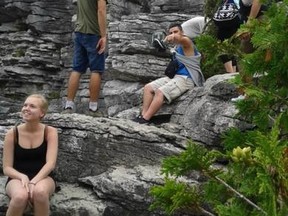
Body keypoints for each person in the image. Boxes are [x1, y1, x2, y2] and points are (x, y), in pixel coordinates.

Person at [134, 23, 205, 124]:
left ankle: (146, 118)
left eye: (176, 32)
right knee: (148, 88)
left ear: (182, 32)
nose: (173, 34)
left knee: (160, 92)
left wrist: (170, 38)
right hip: (176, 77)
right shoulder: (175, 48)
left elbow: (182, 39)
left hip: (187, 79)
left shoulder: (187, 42)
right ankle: (143, 116)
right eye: (171, 32)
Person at [2, 94, 58, 216]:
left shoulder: (50, 132)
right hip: (17, 178)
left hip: (44, 177)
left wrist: (34, 182)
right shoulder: (12, 134)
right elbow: (6, 168)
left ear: (42, 113)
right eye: (25, 105)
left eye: (32, 106)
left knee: (40, 193)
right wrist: (22, 177)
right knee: (20, 197)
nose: (26, 108)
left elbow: (50, 164)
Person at [63, 0, 107, 115]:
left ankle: (68, 106)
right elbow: (101, 11)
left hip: (79, 31)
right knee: (96, 69)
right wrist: (103, 36)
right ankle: (93, 108)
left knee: (77, 69)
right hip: (93, 33)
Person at [231, 0, 267, 101]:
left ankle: (249, 93)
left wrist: (249, 24)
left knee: (243, 55)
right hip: (258, 19)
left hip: (260, 19)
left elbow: (257, 1)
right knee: (244, 54)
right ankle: (248, 93)